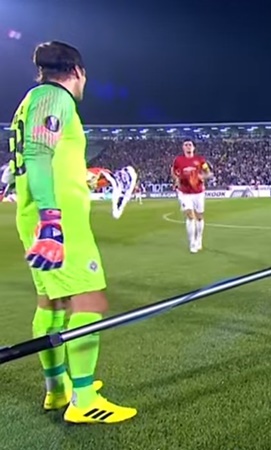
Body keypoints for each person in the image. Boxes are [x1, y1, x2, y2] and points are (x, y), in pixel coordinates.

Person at [9, 41, 136, 423]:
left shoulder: (30, 101)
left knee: (50, 304)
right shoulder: (55, 97)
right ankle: (84, 400)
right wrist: (52, 222)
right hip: (58, 221)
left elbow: (46, 161)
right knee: (88, 302)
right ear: (78, 72)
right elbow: (37, 154)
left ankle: (58, 389)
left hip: (35, 215)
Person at [171, 139, 212, 253]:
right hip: (184, 193)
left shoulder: (200, 160)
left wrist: (202, 177)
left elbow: (208, 173)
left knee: (199, 217)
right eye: (186, 145)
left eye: (190, 145)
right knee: (190, 216)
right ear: (183, 147)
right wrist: (176, 179)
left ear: (194, 147)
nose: (188, 147)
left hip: (198, 192)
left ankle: (199, 239)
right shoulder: (178, 160)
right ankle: (192, 243)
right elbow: (173, 172)